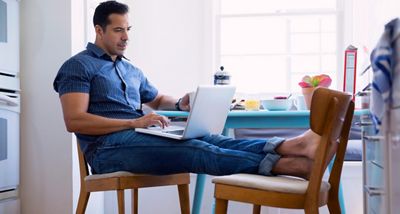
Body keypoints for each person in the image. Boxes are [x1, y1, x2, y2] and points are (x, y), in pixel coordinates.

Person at [53, 1, 327, 180]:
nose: (126, 37)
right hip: (105, 150)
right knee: (196, 149)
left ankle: (292, 145)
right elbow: (74, 120)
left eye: (127, 29)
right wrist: (135, 122)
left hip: (138, 136)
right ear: (99, 31)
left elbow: (158, 99)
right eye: (118, 30)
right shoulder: (78, 66)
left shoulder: (130, 69)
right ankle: (288, 165)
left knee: (212, 139)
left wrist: (181, 103)